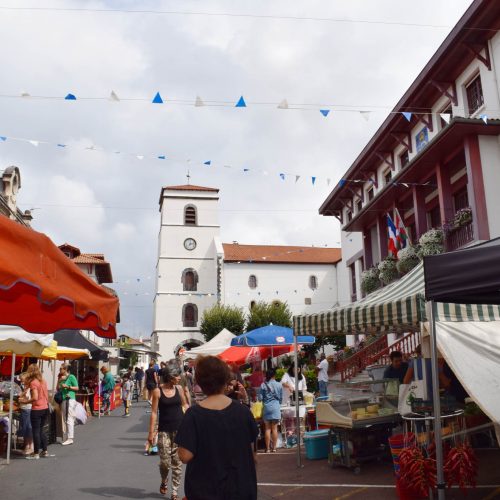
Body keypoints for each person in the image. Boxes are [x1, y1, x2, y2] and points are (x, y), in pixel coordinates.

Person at [175, 356, 258, 500]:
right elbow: (252, 452)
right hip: (241, 488)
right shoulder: (243, 411)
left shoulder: (193, 415)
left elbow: (184, 456)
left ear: (199, 381)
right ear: (225, 380)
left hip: (204, 490)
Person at [148, 366, 189, 498]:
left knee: (177, 462)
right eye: (177, 376)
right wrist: (151, 432)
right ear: (171, 378)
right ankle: (164, 480)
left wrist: (190, 416)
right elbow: (154, 413)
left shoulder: (179, 389)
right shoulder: (157, 391)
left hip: (180, 430)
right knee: (165, 462)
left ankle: (175, 492)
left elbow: (184, 405)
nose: (179, 378)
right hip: (164, 431)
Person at [21, 363, 50, 459]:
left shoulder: (34, 382)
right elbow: (46, 395)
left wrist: (25, 401)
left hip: (37, 409)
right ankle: (45, 451)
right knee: (41, 430)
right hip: (45, 407)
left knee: (36, 431)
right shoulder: (43, 381)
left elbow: (35, 397)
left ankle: (36, 453)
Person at [258, 368, 282, 453]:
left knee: (267, 429)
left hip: (267, 408)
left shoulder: (263, 385)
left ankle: (267, 448)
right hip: (275, 408)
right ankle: (274, 448)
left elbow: (260, 398)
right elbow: (280, 399)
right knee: (275, 429)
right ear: (274, 375)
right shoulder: (279, 385)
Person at [58, 364, 79, 445]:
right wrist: (60, 380)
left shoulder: (71, 377)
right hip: (64, 399)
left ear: (65, 369)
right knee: (65, 418)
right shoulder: (62, 377)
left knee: (69, 418)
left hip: (69, 399)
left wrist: (68, 387)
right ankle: (67, 436)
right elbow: (58, 388)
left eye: (61, 369)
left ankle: (70, 438)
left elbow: (77, 388)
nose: (60, 370)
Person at [18, 373, 34, 456]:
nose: (21, 381)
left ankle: (30, 447)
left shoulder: (30, 388)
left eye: (22, 380)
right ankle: (27, 445)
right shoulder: (25, 387)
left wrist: (22, 399)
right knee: (26, 428)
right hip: (24, 409)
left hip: (27, 409)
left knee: (28, 428)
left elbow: (30, 398)